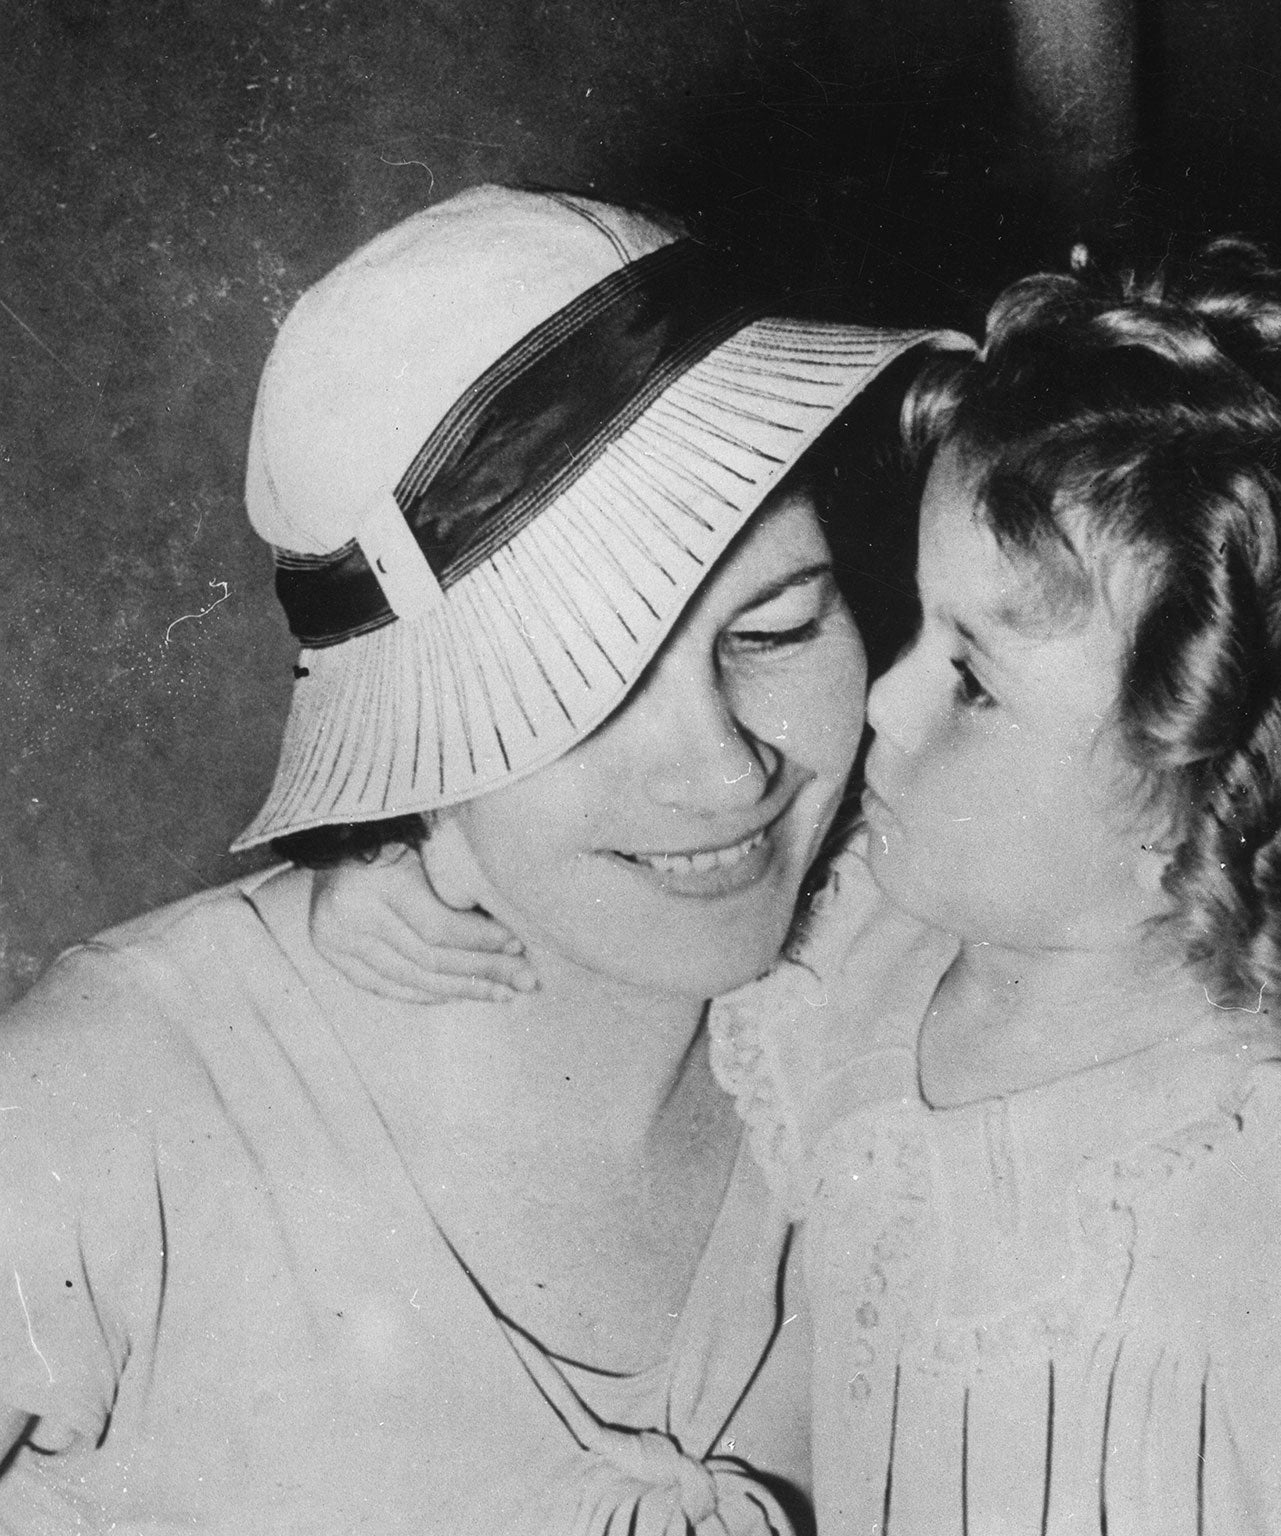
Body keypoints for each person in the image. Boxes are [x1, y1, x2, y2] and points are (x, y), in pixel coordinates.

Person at [325, 240, 1281, 1534]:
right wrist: (434, 872)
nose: (884, 698)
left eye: (975, 684)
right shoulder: (872, 943)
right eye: (918, 627)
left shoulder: (1250, 1179)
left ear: (1208, 790)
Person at [0, 184, 965, 1532]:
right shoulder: (107, 1107)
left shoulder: (926, 1041)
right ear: (413, 748)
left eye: (778, 628)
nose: (724, 770)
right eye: (591, 691)